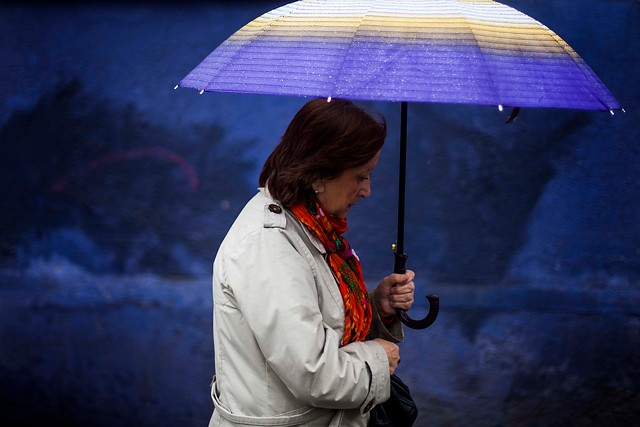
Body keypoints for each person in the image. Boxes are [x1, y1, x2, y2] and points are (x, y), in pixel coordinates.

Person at [209, 98, 415, 426]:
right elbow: (314, 374)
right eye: (361, 176)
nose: (367, 191)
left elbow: (316, 323)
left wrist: (376, 308)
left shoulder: (310, 225)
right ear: (318, 174)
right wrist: (379, 358)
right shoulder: (269, 246)